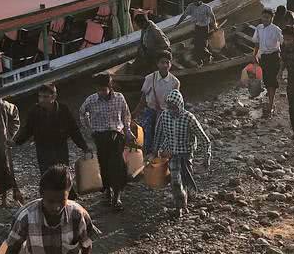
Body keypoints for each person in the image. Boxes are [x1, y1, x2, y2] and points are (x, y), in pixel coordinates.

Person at [13, 83, 89, 198]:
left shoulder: (63, 110)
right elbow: (27, 130)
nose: (41, 99)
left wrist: (84, 147)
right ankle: (49, 197)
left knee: (62, 172)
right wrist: (16, 142)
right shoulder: (35, 111)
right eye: (40, 96)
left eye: (45, 97)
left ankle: (67, 196)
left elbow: (74, 130)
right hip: (43, 148)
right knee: (46, 174)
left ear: (53, 97)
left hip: (60, 147)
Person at [154, 89, 212, 219]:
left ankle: (184, 202)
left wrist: (206, 156)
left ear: (180, 105)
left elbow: (204, 139)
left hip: (186, 155)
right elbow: (158, 135)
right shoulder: (164, 115)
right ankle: (179, 207)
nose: (172, 110)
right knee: (175, 181)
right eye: (169, 107)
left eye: (174, 107)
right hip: (171, 154)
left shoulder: (189, 118)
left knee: (185, 180)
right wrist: (155, 151)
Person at [79, 73, 132, 211]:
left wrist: (127, 131)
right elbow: (82, 113)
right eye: (98, 89)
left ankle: (117, 195)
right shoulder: (91, 100)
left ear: (109, 87)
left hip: (116, 135)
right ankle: (107, 190)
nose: (101, 92)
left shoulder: (119, 98)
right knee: (104, 164)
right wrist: (89, 130)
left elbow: (126, 114)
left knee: (117, 165)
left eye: (103, 89)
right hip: (100, 136)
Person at [132, 51, 180, 156]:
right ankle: (145, 157)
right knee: (147, 135)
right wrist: (135, 113)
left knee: (162, 138)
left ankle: (158, 159)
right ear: (157, 64)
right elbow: (143, 99)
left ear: (171, 64)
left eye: (167, 62)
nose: (165, 65)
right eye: (162, 62)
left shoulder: (175, 82)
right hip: (150, 111)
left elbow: (175, 103)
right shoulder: (150, 78)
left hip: (165, 114)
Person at [252, 8, 283, 118]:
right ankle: (270, 101)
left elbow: (283, 44)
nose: (265, 19)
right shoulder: (259, 28)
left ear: (272, 18)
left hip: (274, 57)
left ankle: (271, 104)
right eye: (263, 17)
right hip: (263, 57)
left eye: (267, 17)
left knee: (271, 81)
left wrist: (283, 58)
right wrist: (255, 56)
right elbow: (256, 43)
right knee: (266, 79)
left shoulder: (276, 29)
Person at [174, 0, 219, 66]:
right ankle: (201, 59)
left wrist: (215, 26)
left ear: (200, 0)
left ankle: (208, 56)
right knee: (196, 45)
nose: (195, 2)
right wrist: (177, 24)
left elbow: (212, 17)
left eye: (196, 1)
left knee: (203, 45)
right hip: (197, 27)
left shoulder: (206, 7)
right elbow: (184, 15)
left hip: (205, 28)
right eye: (194, 1)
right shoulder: (190, 6)